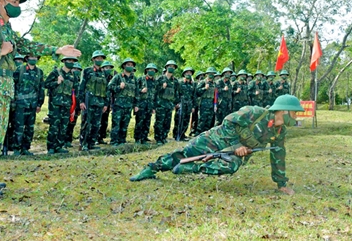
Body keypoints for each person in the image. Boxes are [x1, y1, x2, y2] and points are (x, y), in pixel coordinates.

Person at [0, 0, 80, 195]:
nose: (16, 6)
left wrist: (56, 50)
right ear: (0, 2)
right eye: (13, 2)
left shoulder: (7, 28)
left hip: (4, 87)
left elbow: (24, 45)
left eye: (18, 2)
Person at [129, 94, 303, 195]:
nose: (295, 118)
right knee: (185, 154)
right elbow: (229, 121)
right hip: (216, 139)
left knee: (231, 167)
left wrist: (282, 184)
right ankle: (151, 168)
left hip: (235, 154)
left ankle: (190, 169)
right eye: (294, 113)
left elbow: (278, 156)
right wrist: (236, 145)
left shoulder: (279, 132)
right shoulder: (255, 112)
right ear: (284, 110)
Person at [10, 52, 44, 156]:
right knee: (18, 127)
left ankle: (25, 148)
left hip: (32, 105)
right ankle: (16, 148)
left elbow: (41, 88)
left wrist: (39, 104)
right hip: (20, 104)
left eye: (35, 57)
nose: (33, 58)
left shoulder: (39, 72)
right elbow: (13, 85)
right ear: (27, 58)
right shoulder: (19, 70)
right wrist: (12, 101)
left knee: (30, 128)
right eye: (31, 57)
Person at [44, 54, 78, 154]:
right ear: (64, 61)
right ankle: (51, 147)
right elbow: (46, 84)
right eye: (69, 60)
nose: (71, 63)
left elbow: (76, 91)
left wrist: (75, 106)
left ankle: (59, 146)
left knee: (63, 127)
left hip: (67, 105)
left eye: (73, 61)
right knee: (54, 126)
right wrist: (56, 82)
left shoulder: (73, 76)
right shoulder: (55, 73)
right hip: (55, 104)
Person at [78, 51, 110, 151]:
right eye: (97, 58)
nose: (99, 60)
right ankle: (83, 144)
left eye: (101, 58)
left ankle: (91, 143)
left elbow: (106, 90)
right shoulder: (87, 71)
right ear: (93, 59)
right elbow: (82, 87)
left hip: (100, 102)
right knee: (87, 123)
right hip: (89, 101)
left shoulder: (104, 73)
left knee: (96, 124)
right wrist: (81, 101)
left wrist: (106, 104)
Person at [107, 58, 137, 145]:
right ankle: (114, 141)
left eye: (131, 65)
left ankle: (122, 141)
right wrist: (119, 87)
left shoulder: (134, 79)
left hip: (129, 106)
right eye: (128, 65)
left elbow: (137, 93)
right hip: (118, 105)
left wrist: (136, 105)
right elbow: (109, 87)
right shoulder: (118, 77)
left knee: (125, 125)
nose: (130, 67)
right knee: (116, 124)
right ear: (124, 66)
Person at [153, 60, 180, 144]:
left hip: (169, 105)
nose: (171, 68)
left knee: (167, 122)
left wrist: (176, 103)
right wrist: (162, 88)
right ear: (166, 67)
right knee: (159, 122)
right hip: (160, 104)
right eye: (169, 66)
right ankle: (158, 138)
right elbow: (155, 92)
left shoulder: (175, 81)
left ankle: (164, 137)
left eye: (173, 67)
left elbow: (176, 93)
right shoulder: (160, 79)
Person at [134, 63, 158, 143]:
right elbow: (135, 91)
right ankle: (137, 138)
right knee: (139, 122)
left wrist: (154, 107)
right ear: (147, 70)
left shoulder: (155, 82)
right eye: (150, 69)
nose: (152, 71)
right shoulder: (141, 79)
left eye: (153, 70)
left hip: (150, 105)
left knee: (147, 122)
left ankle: (144, 138)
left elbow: (155, 95)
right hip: (141, 104)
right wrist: (141, 91)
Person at [173, 66, 196, 141]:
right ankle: (177, 135)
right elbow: (176, 93)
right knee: (179, 120)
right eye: (187, 73)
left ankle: (183, 134)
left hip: (189, 105)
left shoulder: (192, 84)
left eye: (190, 73)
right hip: (181, 104)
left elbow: (194, 96)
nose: (188, 74)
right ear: (184, 74)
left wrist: (193, 106)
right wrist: (176, 103)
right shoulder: (180, 82)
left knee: (186, 120)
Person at [195, 67, 218, 134]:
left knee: (209, 122)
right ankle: (198, 135)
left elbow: (216, 94)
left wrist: (215, 104)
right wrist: (204, 88)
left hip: (211, 105)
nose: (211, 75)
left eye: (212, 74)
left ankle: (206, 136)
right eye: (209, 74)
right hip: (203, 104)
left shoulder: (214, 84)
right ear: (206, 74)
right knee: (202, 121)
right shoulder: (203, 82)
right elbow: (197, 92)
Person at [98, 60, 115, 144]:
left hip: (107, 103)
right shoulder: (100, 76)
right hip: (98, 101)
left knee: (104, 121)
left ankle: (101, 138)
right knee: (98, 120)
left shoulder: (112, 78)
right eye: (106, 67)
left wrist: (111, 104)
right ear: (103, 68)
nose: (108, 69)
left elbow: (112, 93)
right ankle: (95, 138)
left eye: (109, 68)